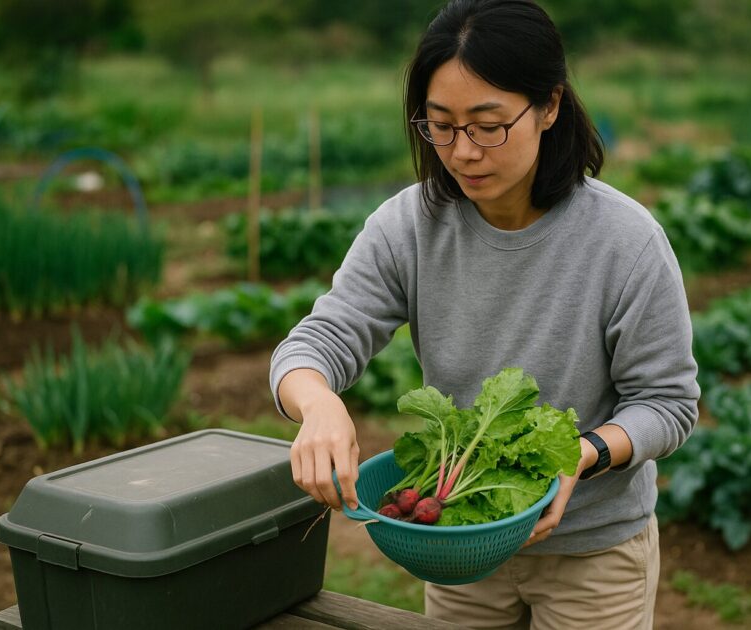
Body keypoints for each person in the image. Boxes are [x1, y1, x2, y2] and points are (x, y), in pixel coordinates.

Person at [270, 1, 700, 627]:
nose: (463, 151)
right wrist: (318, 403)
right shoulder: (407, 227)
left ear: (549, 106)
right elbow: (319, 340)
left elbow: (669, 404)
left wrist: (580, 455)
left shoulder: (625, 242)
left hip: (593, 552)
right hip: (461, 546)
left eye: (487, 125)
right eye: (440, 126)